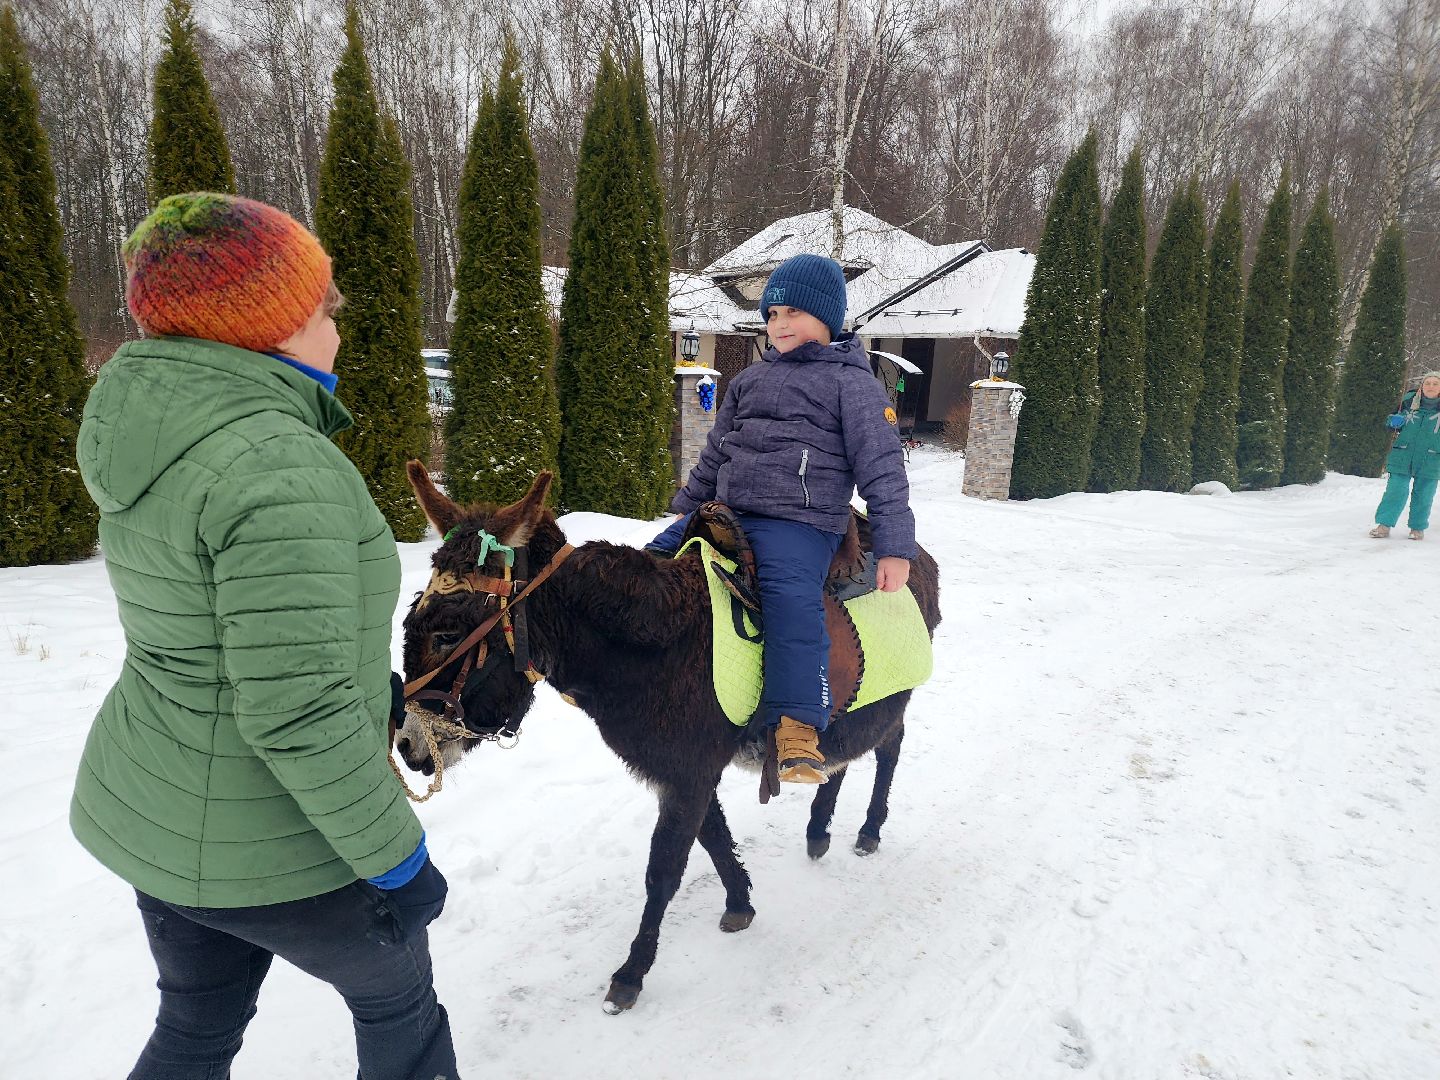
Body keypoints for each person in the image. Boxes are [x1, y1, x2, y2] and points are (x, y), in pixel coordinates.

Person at [73, 193, 459, 1079]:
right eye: (324, 308)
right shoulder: (275, 463)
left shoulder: (159, 431)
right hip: (277, 842)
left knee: (196, 1030)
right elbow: (295, 711)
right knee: (403, 1013)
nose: (338, 324)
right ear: (269, 327)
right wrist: (399, 863)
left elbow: (220, 637)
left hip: (156, 815)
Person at [649, 253, 916, 783]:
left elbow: (882, 467)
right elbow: (718, 450)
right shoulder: (749, 379)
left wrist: (894, 546)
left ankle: (797, 727)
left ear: (828, 317)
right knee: (653, 562)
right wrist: (685, 510)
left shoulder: (853, 384)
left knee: (790, 601)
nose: (780, 324)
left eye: (793, 312)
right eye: (772, 314)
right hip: (726, 511)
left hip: (799, 523)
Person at [1370, 369, 1440, 541]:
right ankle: (1384, 525)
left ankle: (1417, 528)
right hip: (1403, 454)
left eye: (1435, 383)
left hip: (1432, 459)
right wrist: (1393, 420)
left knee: (1424, 495)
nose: (1431, 386)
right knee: (1396, 490)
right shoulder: (1409, 402)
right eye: (1427, 383)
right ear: (1422, 387)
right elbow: (1392, 422)